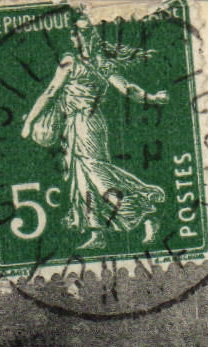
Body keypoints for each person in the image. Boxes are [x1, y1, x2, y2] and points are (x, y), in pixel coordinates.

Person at [21, 17, 169, 250]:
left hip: (88, 124)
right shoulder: (76, 62)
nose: (76, 38)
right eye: (75, 34)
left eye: (80, 33)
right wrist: (30, 121)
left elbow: (126, 88)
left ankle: (146, 213)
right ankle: (97, 232)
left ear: (89, 36)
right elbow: (51, 92)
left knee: (99, 178)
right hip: (75, 125)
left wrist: (151, 98)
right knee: (82, 179)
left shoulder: (96, 63)